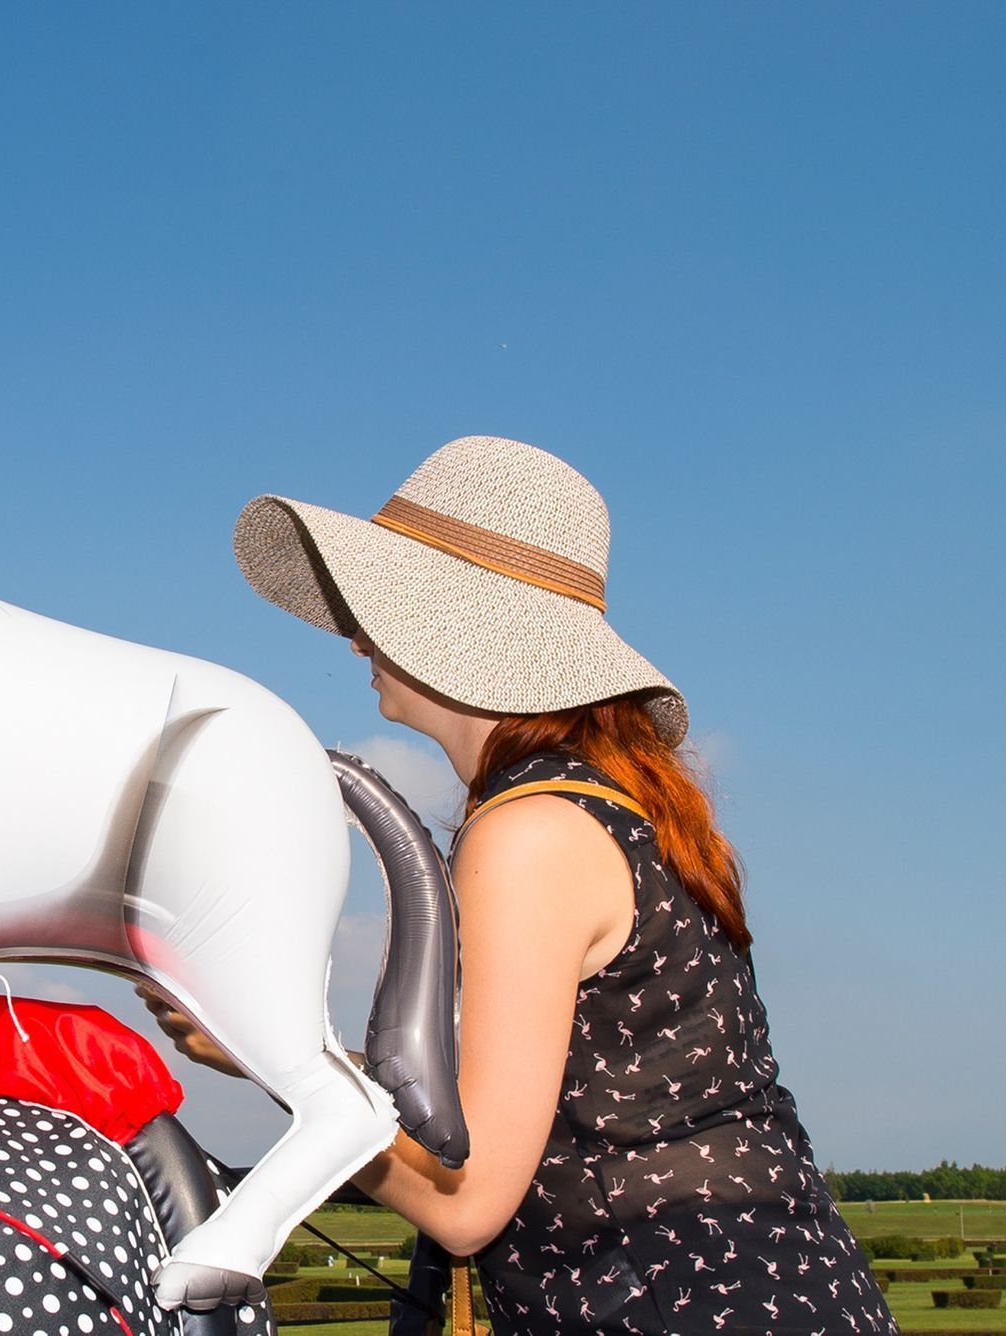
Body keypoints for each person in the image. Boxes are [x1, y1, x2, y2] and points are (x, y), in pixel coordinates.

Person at [144, 437, 894, 1334]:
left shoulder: (527, 836)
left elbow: (469, 1203)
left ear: (461, 631)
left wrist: (272, 1053)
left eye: (382, 604)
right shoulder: (605, 809)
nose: (352, 635)